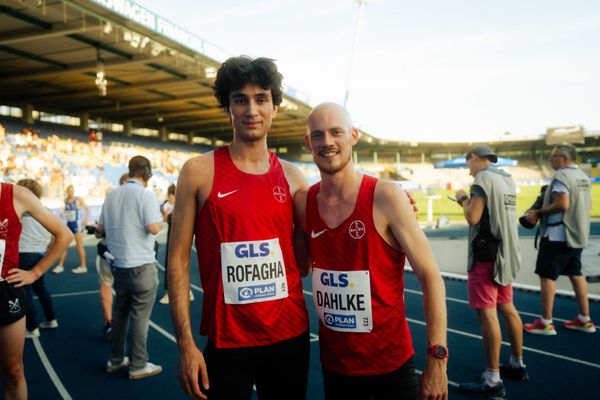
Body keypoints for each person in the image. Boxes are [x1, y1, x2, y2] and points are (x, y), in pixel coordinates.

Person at [168, 56, 310, 400]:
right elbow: (177, 260)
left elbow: (307, 259)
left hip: (289, 335)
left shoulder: (293, 178)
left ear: (275, 107)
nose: (251, 109)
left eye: (262, 98)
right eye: (240, 99)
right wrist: (186, 344)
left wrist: (391, 199)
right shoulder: (198, 172)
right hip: (228, 341)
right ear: (227, 108)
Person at [296, 102, 447, 400]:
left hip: (390, 365)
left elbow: (431, 278)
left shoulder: (386, 196)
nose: (327, 142)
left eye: (336, 132)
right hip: (336, 367)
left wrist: (437, 359)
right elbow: (303, 268)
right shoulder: (303, 203)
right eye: (318, 135)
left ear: (353, 136)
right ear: (308, 142)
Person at [453, 145, 527, 398]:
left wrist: (463, 198)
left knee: (488, 315)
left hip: (486, 255)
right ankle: (517, 364)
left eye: (468, 162)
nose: (468, 168)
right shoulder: (506, 177)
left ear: (474, 158)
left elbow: (473, 217)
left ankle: (493, 379)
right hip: (507, 252)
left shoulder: (482, 178)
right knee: (507, 307)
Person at [0, 181, 71, 399]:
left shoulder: (17, 195)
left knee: (14, 370)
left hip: (5, 291)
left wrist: (35, 272)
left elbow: (64, 234)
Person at [96, 156, 163, 380]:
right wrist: (163, 217)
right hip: (141, 264)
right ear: (147, 174)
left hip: (119, 265)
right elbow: (153, 228)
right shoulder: (145, 195)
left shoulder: (112, 195)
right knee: (140, 318)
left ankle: (115, 360)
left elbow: (101, 229)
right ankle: (138, 364)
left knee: (119, 315)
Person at [524, 144, 595, 335]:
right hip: (577, 233)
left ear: (562, 158)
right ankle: (584, 319)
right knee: (576, 274)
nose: (549, 159)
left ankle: (545, 322)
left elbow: (562, 203)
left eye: (553, 156)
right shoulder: (582, 176)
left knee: (547, 276)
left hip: (558, 235)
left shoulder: (562, 176)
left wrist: (538, 212)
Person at [16, 179, 59, 338]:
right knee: (41, 288)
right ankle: (51, 318)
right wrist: (48, 249)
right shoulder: (45, 210)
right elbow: (57, 234)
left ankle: (32, 327)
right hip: (40, 254)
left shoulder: (19, 211)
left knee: (25, 293)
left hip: (22, 254)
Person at [96, 172, 129, 341]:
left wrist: (97, 231)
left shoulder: (110, 199)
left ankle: (110, 324)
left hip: (109, 250)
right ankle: (123, 326)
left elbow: (100, 230)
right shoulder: (141, 199)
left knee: (106, 285)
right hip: (130, 252)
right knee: (129, 290)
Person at [53, 185, 89, 274]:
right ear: (67, 191)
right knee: (63, 245)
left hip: (77, 224)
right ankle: (60, 266)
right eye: (69, 191)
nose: (71, 192)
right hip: (68, 224)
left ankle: (83, 266)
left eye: (72, 190)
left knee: (79, 246)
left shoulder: (78, 199)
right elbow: (65, 211)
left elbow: (87, 208)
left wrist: (85, 218)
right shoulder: (65, 200)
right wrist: (63, 215)